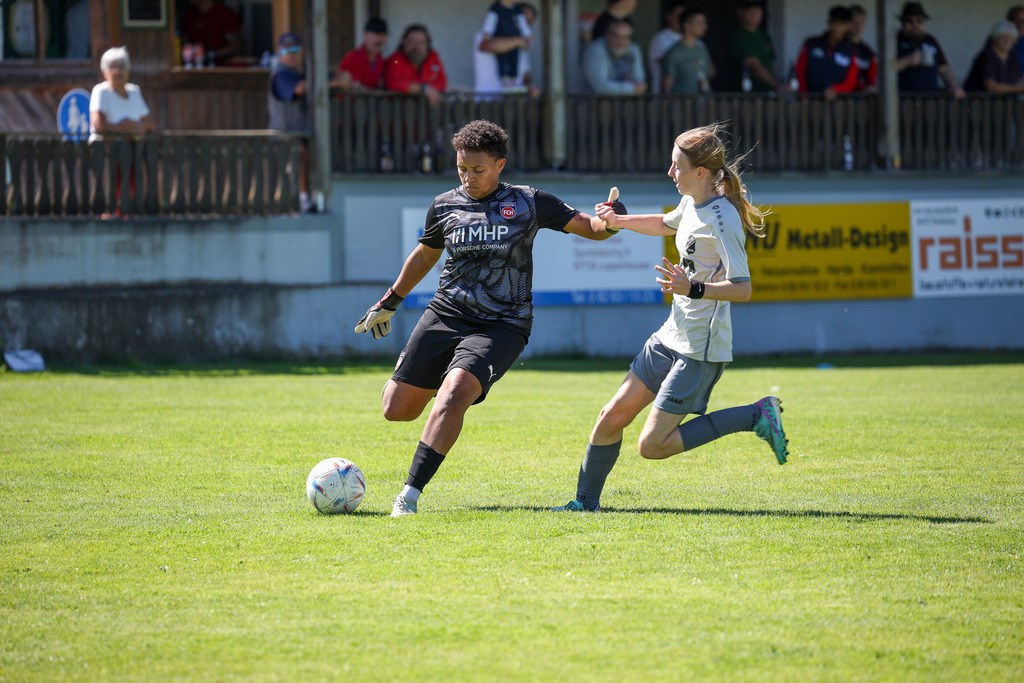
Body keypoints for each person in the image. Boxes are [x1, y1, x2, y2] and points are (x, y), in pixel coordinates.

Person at [353, 119, 625, 517]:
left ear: (500, 164)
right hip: (445, 313)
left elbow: (592, 229)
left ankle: (408, 496)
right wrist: (390, 301)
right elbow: (426, 255)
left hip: (503, 324)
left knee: (454, 395)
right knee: (397, 409)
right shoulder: (445, 204)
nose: (468, 178)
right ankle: (445, 380)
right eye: (462, 168)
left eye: (478, 170)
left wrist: (612, 219)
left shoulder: (530, 202)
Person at [552, 122, 788, 513]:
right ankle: (584, 504)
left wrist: (693, 288)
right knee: (611, 416)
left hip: (700, 347)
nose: (669, 172)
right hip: (670, 335)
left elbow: (743, 288)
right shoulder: (690, 204)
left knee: (652, 446)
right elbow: (664, 223)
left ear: (700, 173)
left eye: (676, 166)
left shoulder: (723, 218)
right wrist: (618, 222)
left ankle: (756, 414)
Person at [267, 33, 314, 213]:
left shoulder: (298, 73)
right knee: (297, 155)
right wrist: (328, 82)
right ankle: (300, 199)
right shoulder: (281, 75)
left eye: (295, 48)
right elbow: (300, 89)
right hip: (282, 137)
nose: (291, 53)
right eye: (286, 49)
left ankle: (304, 198)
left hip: (298, 136)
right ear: (279, 52)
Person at [895, 2, 965, 97]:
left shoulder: (931, 41)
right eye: (909, 21)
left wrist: (953, 86)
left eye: (919, 21)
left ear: (924, 22)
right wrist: (907, 61)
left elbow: (944, 69)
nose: (915, 25)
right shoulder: (894, 41)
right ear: (902, 22)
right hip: (902, 100)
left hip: (930, 101)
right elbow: (882, 70)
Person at [89, 46, 156, 139]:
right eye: (113, 66)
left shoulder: (134, 91)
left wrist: (135, 126)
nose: (118, 71)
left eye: (122, 66)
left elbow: (151, 124)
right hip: (103, 150)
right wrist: (126, 128)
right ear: (104, 72)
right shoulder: (100, 91)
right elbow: (98, 125)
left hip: (131, 150)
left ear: (128, 70)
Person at [794, 5, 859, 100]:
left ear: (848, 25)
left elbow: (851, 81)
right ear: (829, 22)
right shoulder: (812, 43)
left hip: (839, 104)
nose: (838, 27)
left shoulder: (851, 50)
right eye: (835, 22)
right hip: (810, 101)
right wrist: (804, 93)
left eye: (842, 23)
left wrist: (835, 90)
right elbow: (800, 70)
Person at [727, 0, 788, 93]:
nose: (756, 15)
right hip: (746, 94)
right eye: (751, 12)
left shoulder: (763, 35)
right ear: (741, 13)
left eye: (758, 12)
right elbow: (753, 64)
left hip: (767, 91)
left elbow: (770, 63)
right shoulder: (738, 36)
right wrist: (776, 85)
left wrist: (775, 84)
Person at [385, 24, 448, 106]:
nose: (416, 47)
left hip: (427, 110)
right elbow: (393, 83)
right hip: (400, 111)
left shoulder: (433, 57)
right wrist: (423, 89)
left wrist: (420, 89)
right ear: (404, 42)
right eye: (412, 42)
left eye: (421, 42)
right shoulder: (396, 59)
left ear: (427, 44)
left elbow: (442, 82)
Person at [477, 0, 533, 91]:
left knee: (514, 63)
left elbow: (526, 76)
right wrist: (517, 41)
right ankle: (506, 80)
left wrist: (530, 88)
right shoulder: (496, 11)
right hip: (490, 99)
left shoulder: (522, 42)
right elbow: (485, 45)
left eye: (529, 22)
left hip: (514, 99)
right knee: (503, 63)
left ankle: (512, 81)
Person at [582, 18, 647, 95]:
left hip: (625, 103)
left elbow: (639, 81)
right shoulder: (596, 49)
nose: (621, 42)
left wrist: (634, 88)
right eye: (616, 36)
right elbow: (600, 87)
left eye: (626, 37)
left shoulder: (633, 49)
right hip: (593, 103)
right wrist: (632, 89)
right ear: (607, 35)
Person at [661, 9, 714, 95]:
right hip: (681, 105)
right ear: (687, 26)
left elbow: (705, 80)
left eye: (704, 23)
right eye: (699, 23)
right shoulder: (674, 53)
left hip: (701, 104)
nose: (704, 27)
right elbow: (667, 86)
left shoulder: (702, 50)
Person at [963, 20, 1024, 93]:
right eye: (1003, 37)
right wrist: (1019, 89)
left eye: (1010, 38)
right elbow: (991, 87)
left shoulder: (1012, 56)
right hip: (977, 101)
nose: (1007, 41)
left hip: (1002, 102)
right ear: (995, 38)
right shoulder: (987, 56)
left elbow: (1019, 81)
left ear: (1015, 41)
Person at [331, 17, 389, 91]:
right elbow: (354, 87)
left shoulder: (382, 61)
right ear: (365, 34)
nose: (380, 39)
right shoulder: (353, 57)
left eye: (383, 35)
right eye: (376, 34)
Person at [180, 0, 242, 65]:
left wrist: (208, 56)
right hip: (192, 68)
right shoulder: (189, 15)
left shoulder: (225, 13)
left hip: (219, 68)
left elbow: (235, 46)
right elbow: (183, 42)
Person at [647, 0, 687, 95]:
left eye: (684, 16)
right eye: (679, 15)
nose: (682, 19)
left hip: (689, 99)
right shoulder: (660, 39)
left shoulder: (697, 42)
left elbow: (710, 70)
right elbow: (667, 64)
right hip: (664, 98)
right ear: (669, 16)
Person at [848, 4, 878, 92]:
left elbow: (871, 78)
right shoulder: (839, 47)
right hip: (841, 97)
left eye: (861, 22)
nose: (858, 26)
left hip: (862, 99)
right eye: (854, 22)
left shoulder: (867, 51)